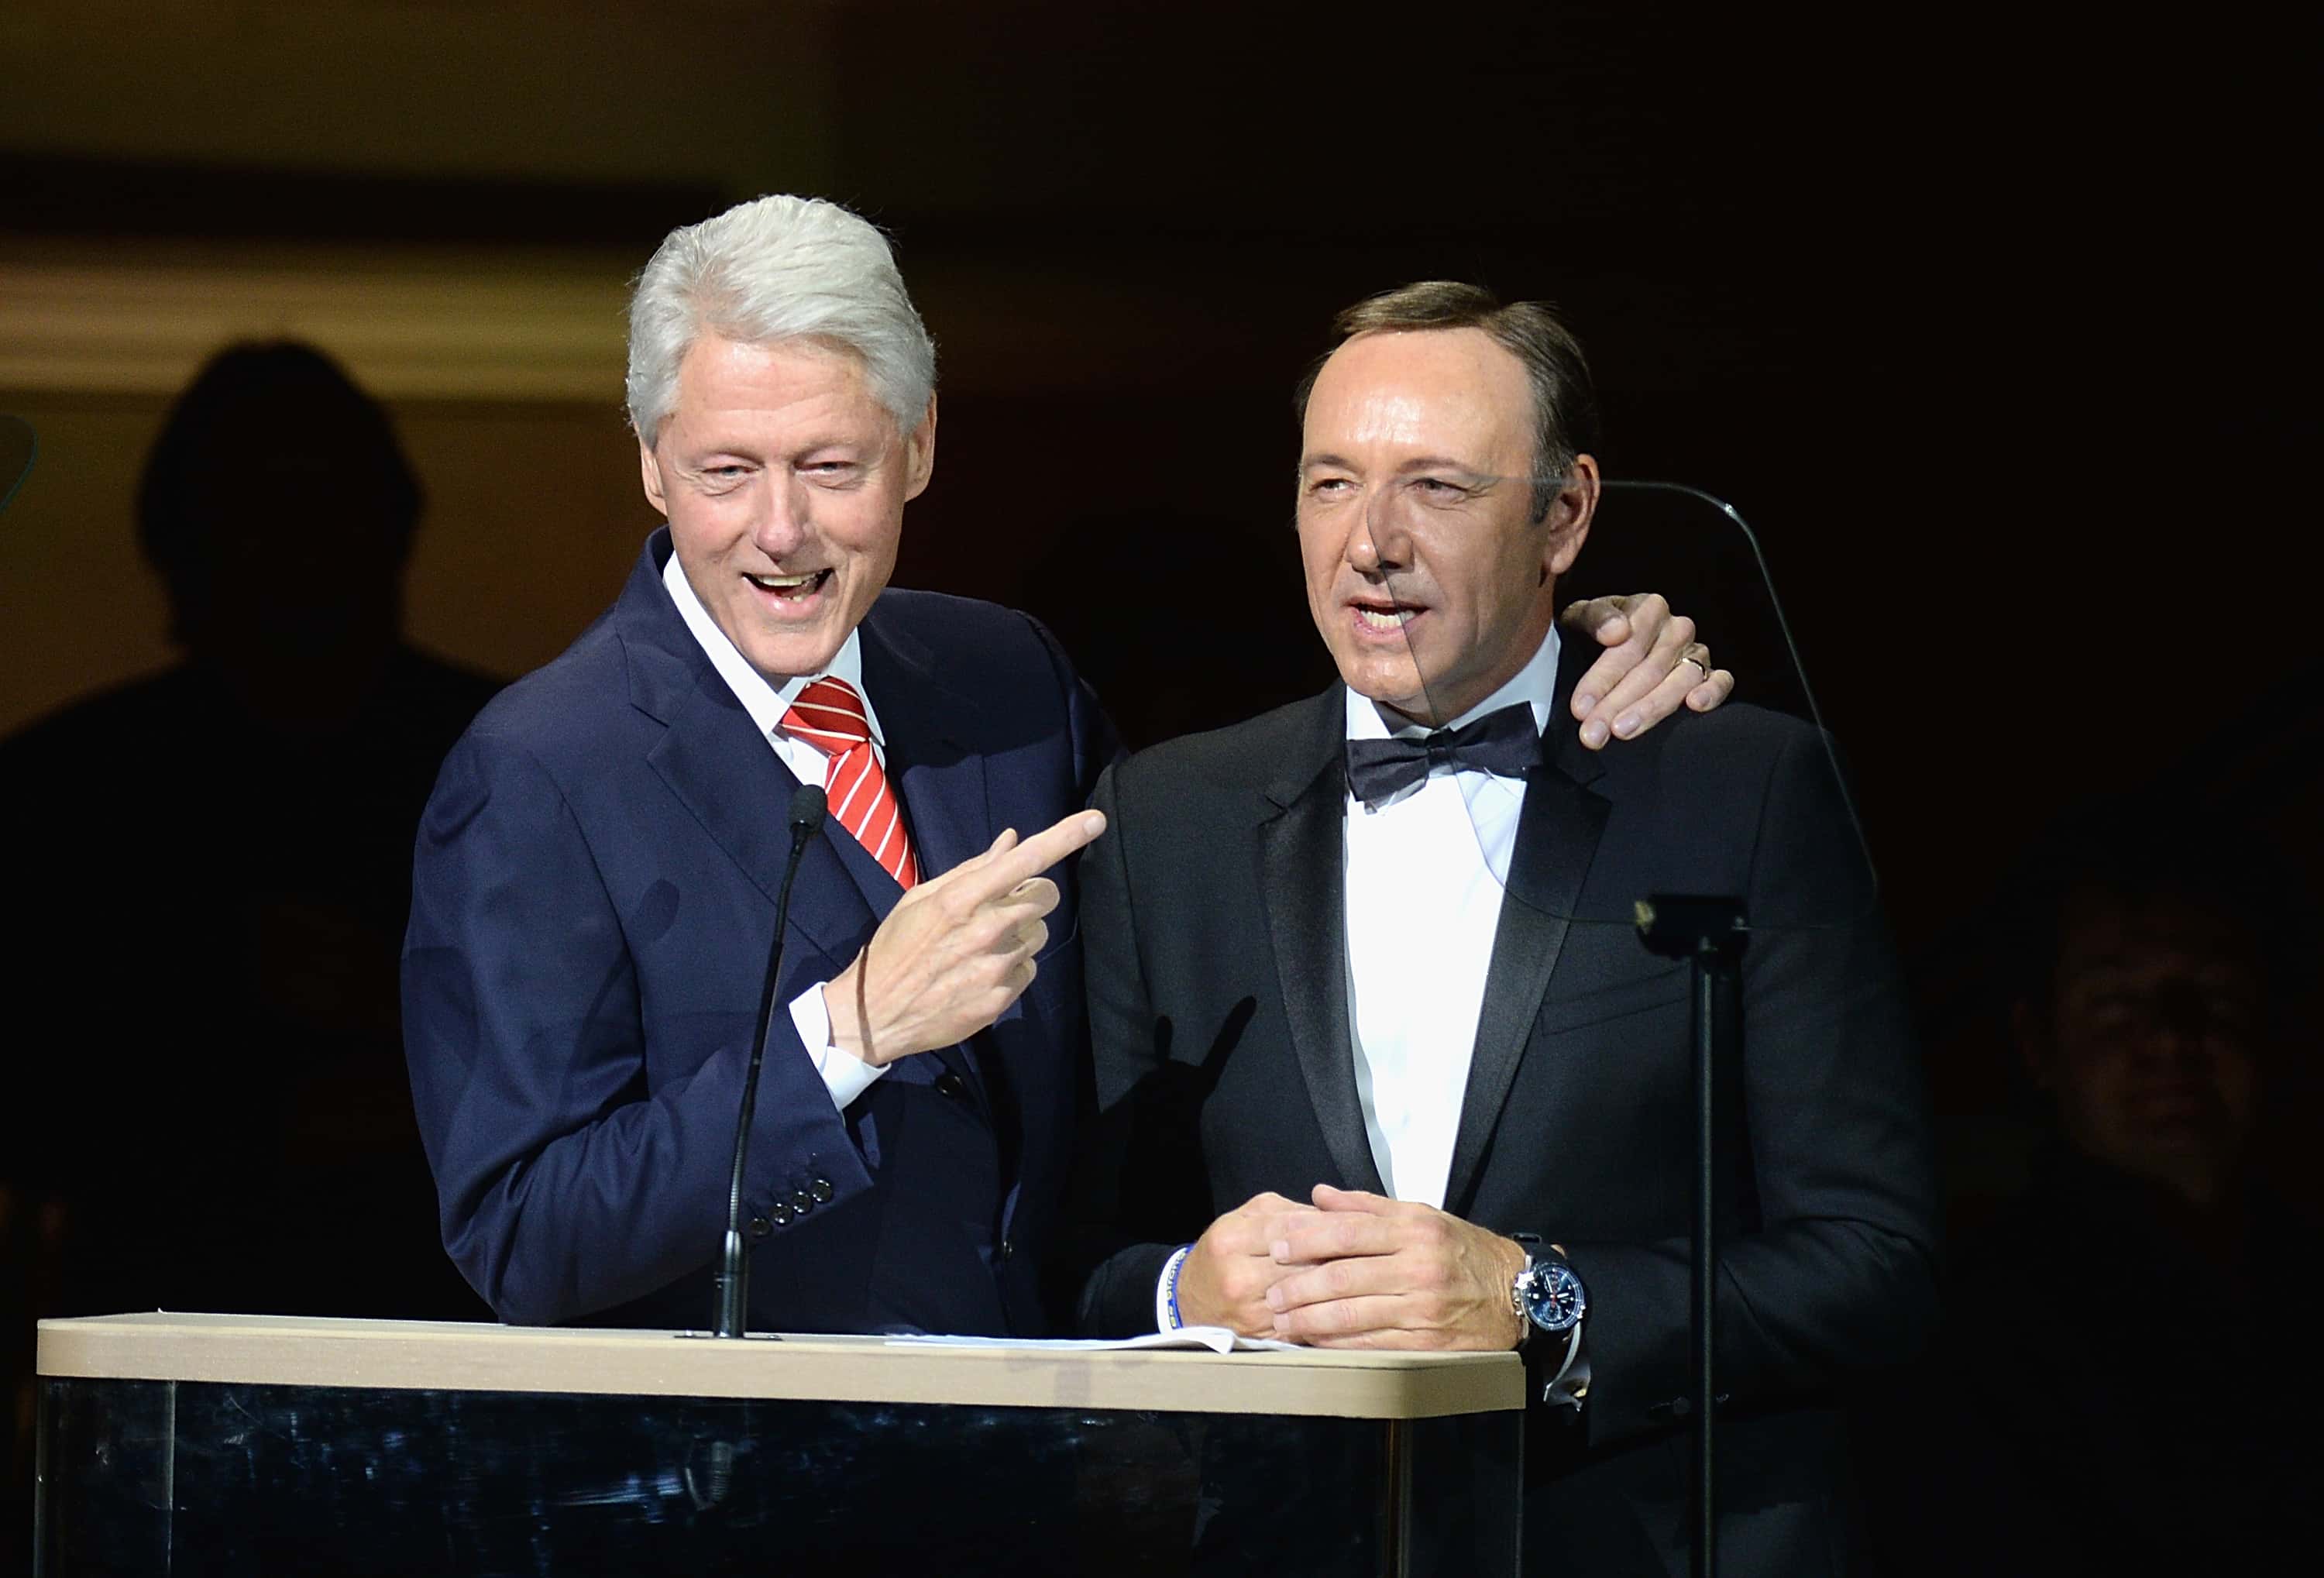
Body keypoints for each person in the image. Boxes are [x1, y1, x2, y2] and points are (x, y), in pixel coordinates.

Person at [400, 197, 1728, 1339]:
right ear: (649, 468)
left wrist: (1555, 657)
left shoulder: (1006, 681)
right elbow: (523, 1237)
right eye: (726, 471)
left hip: (1043, 1491)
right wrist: (844, 1032)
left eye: (831, 466)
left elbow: (1209, 952)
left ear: (919, 449)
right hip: (737, 1500)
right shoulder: (538, 771)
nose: (781, 528)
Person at [1072, 282, 1940, 1573]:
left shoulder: (1740, 787)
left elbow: (1877, 1263)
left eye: (1437, 486)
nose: (1370, 541)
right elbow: (1073, 1259)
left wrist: (1543, 1301)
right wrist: (1178, 1293)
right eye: (1330, 483)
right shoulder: (1165, 815)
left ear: (1566, 513)